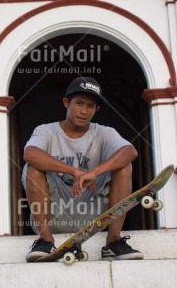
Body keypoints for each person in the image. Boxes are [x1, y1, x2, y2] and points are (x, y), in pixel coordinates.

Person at [22, 76, 143, 262]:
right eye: (79, 103)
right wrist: (75, 171)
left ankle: (113, 241)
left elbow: (130, 151)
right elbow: (30, 153)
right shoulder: (46, 131)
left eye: (90, 106)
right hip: (56, 212)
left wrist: (94, 173)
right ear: (66, 103)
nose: (84, 111)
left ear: (96, 109)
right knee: (33, 168)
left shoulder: (104, 132)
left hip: (93, 211)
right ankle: (45, 241)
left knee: (124, 167)